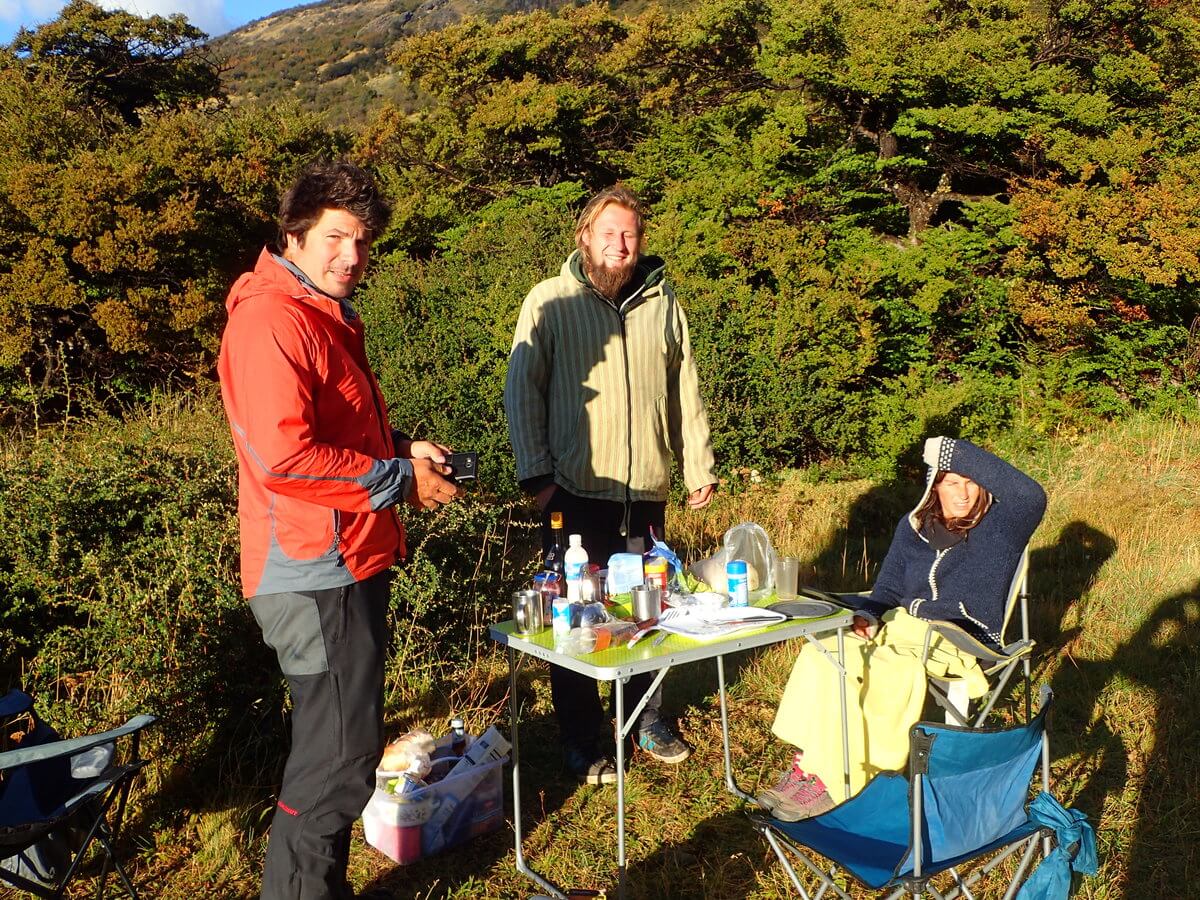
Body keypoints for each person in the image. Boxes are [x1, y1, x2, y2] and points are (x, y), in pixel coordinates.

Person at [218, 160, 462, 900]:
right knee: (336, 763)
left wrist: (397, 453)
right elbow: (285, 458)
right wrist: (398, 481)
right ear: (293, 233)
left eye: (362, 241)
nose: (351, 256)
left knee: (340, 753)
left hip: (342, 559)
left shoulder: (317, 314)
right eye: (335, 237)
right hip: (311, 567)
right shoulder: (272, 320)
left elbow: (330, 439)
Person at [504, 185, 718, 783]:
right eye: (609, 234)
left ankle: (647, 718)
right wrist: (538, 478)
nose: (620, 246)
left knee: (651, 609)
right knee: (578, 615)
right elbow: (523, 391)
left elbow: (685, 386)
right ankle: (580, 739)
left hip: (646, 487)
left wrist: (695, 463)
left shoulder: (663, 303)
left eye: (629, 235)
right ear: (585, 238)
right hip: (574, 490)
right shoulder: (549, 301)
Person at [758, 436, 1047, 821]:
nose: (963, 492)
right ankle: (813, 765)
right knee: (824, 653)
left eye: (971, 481)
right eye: (952, 481)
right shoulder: (914, 526)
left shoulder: (1001, 528)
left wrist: (955, 452)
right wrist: (871, 614)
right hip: (900, 627)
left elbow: (1032, 495)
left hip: (956, 638)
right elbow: (889, 588)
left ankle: (844, 783)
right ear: (934, 486)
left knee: (884, 672)